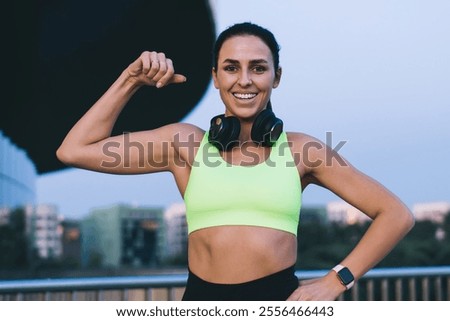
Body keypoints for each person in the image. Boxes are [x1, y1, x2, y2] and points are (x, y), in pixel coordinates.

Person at [56, 22, 414, 301]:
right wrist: (130, 79)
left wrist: (337, 279)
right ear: (215, 77)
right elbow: (74, 150)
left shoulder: (302, 150)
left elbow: (396, 214)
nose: (244, 80)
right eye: (231, 67)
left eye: (258, 68)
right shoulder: (185, 144)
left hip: (281, 303)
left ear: (277, 76)